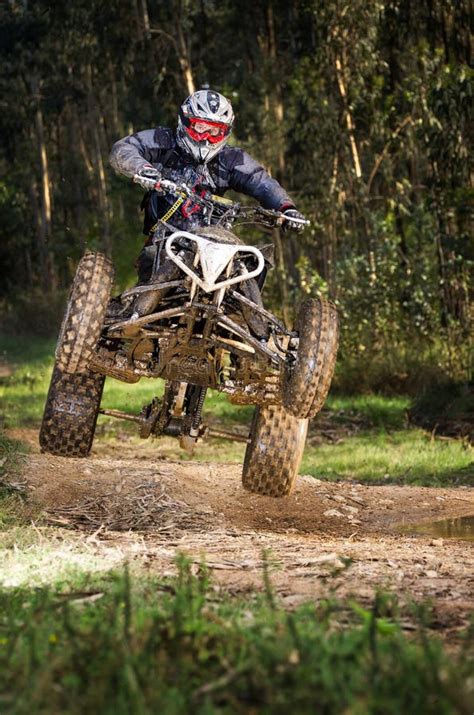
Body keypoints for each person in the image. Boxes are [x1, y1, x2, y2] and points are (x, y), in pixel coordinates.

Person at [109, 89, 306, 327]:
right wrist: (143, 170)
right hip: (166, 240)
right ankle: (134, 315)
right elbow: (124, 148)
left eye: (215, 132)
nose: (205, 138)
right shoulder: (163, 141)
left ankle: (247, 324)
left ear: (226, 133)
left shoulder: (232, 159)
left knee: (255, 261)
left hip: (215, 242)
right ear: (185, 123)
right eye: (200, 128)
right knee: (151, 259)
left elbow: (261, 182)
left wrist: (286, 208)